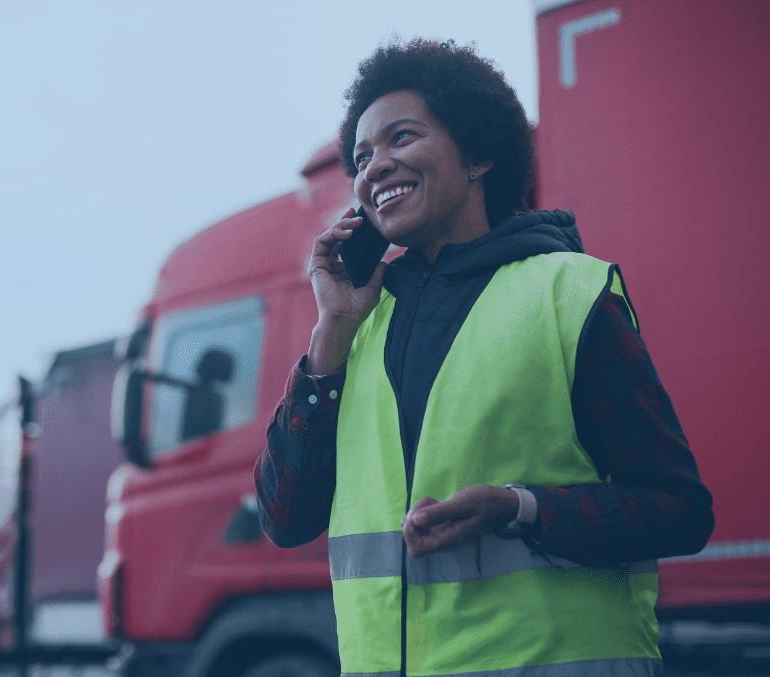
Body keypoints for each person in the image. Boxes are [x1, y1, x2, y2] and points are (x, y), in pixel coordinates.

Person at [254, 38, 713, 677]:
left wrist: (518, 508)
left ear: (478, 153)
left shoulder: (568, 293)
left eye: (401, 139)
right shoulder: (357, 326)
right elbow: (283, 519)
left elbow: (680, 510)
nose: (375, 167)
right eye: (362, 157)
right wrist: (331, 327)